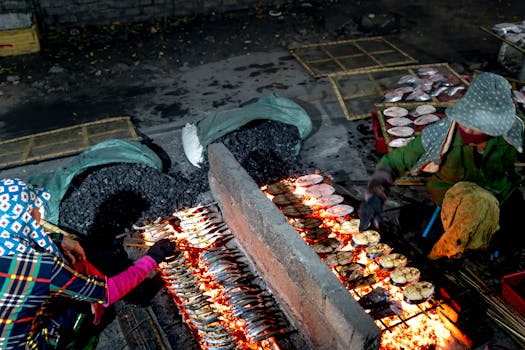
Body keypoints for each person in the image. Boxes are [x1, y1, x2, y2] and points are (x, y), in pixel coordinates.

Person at [359, 72, 524, 260]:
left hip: (502, 191)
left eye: (477, 125)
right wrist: (375, 195)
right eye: (466, 121)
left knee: (512, 225)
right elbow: (395, 161)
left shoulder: (513, 130)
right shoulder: (441, 134)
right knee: (479, 208)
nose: (467, 129)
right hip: (453, 195)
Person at [0, 178, 176, 349]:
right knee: (72, 306)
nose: (40, 214)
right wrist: (152, 257)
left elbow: (30, 242)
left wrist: (59, 239)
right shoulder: (41, 268)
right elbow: (110, 292)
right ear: (27, 219)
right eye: (37, 209)